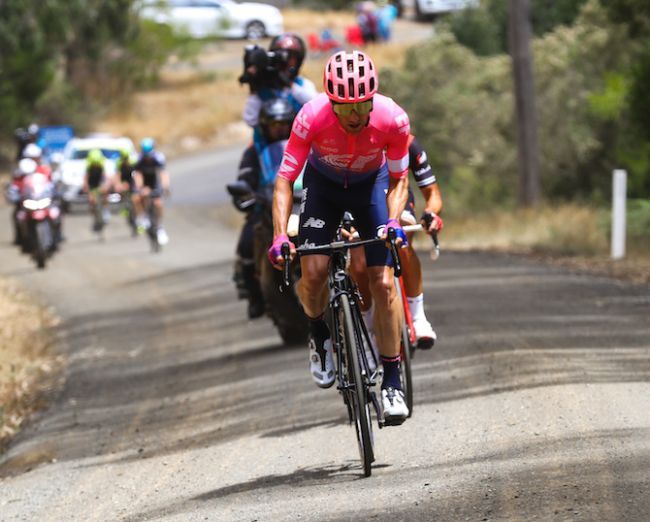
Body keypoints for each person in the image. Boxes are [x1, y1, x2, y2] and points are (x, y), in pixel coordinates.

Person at [268, 50, 412, 424]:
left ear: (372, 98)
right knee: (313, 273)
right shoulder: (310, 117)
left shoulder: (393, 119)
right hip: (324, 190)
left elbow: (399, 179)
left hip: (370, 189)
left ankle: (392, 379)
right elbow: (284, 180)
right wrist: (280, 235)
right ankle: (319, 333)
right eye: (343, 108)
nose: (353, 116)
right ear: (330, 101)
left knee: (382, 284)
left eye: (361, 106)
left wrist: (394, 220)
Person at [350, 134, 444, 351]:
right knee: (358, 263)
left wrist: (431, 213)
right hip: (358, 201)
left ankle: (418, 316)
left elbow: (433, 194)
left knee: (401, 244)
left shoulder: (407, 142)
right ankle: (367, 327)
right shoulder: (347, 139)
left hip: (396, 196)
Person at [232, 98, 296, 319]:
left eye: (283, 123)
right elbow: (244, 179)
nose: (279, 128)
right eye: (273, 124)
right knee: (246, 244)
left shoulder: (302, 143)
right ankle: (255, 296)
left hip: (300, 205)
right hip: (264, 209)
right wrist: (246, 193)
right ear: (265, 126)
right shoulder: (253, 153)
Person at [241, 33, 318, 129]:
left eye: (291, 56)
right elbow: (251, 120)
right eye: (280, 56)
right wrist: (254, 88)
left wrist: (289, 84)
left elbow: (317, 108)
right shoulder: (265, 88)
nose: (286, 61)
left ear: (298, 60)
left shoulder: (304, 85)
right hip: (268, 142)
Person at [133, 138, 170, 245]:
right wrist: (140, 188)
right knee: (139, 198)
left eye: (149, 155)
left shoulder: (158, 157)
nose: (148, 158)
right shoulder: (139, 159)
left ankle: (160, 226)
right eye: (146, 156)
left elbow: (163, 173)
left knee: (158, 203)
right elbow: (137, 175)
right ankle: (142, 217)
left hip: (154, 182)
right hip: (144, 182)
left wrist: (165, 186)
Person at [84, 148, 111, 231]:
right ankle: (94, 215)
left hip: (99, 184)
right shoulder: (89, 167)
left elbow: (105, 177)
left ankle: (106, 210)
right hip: (92, 186)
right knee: (92, 200)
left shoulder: (101, 166)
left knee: (105, 192)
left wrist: (106, 185)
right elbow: (85, 180)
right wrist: (87, 189)